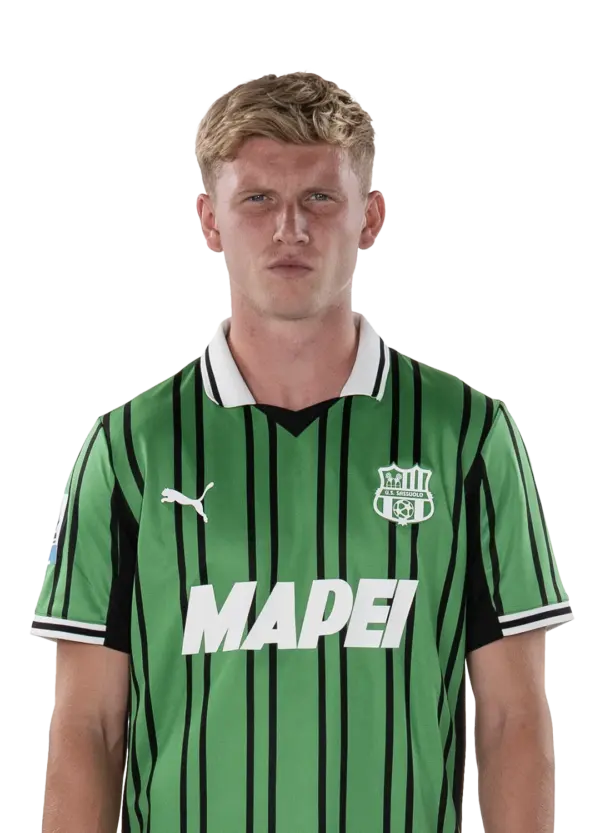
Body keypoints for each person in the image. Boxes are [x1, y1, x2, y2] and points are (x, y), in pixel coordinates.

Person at [33, 71, 574, 833]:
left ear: (371, 216)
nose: (290, 228)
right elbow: (88, 727)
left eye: (319, 197)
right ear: (210, 221)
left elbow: (514, 719)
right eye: (258, 198)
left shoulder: (468, 434)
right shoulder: (130, 446)